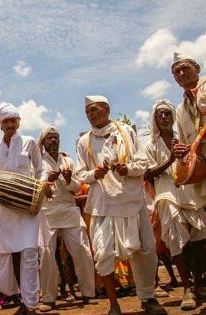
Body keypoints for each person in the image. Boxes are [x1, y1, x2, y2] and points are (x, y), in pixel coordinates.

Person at [75, 96, 167, 315]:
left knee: (145, 250)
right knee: (104, 253)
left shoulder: (126, 131)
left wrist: (128, 169)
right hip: (103, 204)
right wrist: (94, 174)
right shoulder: (84, 141)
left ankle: (148, 298)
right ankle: (113, 304)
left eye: (94, 110)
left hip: (132, 200)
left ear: (107, 109)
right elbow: (80, 173)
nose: (90, 114)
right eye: (87, 111)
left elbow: (142, 161)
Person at [0, 104, 49, 315]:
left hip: (26, 208)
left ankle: (31, 305)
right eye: (6, 121)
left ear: (19, 123)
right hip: (3, 212)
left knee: (29, 254)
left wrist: (41, 187)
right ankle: (21, 298)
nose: (11, 124)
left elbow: (41, 171)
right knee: (4, 257)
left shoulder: (29, 143)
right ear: (0, 125)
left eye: (14, 120)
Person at [144, 99, 206, 310]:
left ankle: (198, 285)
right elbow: (148, 173)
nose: (164, 118)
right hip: (166, 193)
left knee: (199, 237)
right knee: (176, 238)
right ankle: (186, 288)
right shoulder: (151, 145)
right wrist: (171, 159)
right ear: (155, 119)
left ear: (173, 117)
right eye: (160, 114)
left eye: (167, 114)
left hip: (189, 190)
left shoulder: (184, 138)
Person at [37, 126, 95, 312]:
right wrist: (45, 185)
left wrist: (69, 180)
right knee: (46, 254)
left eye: (56, 138)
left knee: (82, 249)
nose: (53, 141)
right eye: (50, 138)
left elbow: (79, 187)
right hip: (47, 211)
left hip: (69, 209)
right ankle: (48, 297)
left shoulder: (68, 160)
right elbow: (32, 185)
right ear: (43, 142)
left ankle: (87, 292)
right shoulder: (37, 162)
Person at [170, 52, 206, 300]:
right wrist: (180, 149)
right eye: (176, 72)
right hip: (201, 169)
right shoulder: (180, 108)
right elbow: (183, 140)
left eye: (185, 69)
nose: (181, 74)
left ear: (197, 68)